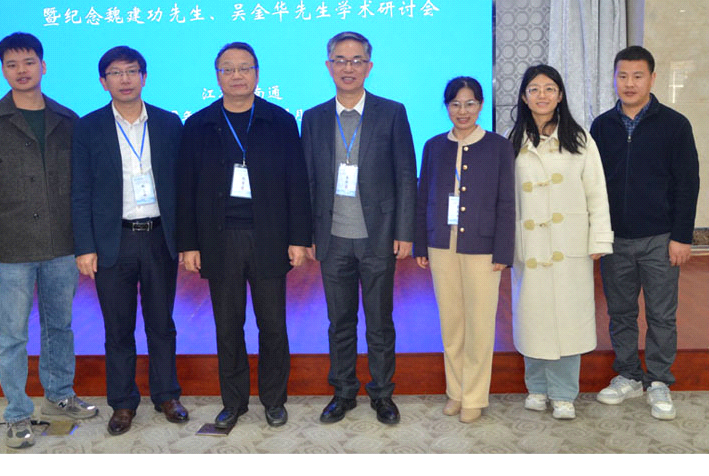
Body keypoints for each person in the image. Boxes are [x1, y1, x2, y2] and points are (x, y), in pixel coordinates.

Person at [0, 32, 97, 449]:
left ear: (43, 66)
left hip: (62, 246)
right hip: (11, 250)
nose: (21, 71)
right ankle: (17, 413)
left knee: (60, 327)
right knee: (11, 335)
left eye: (29, 62)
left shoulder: (68, 121)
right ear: (3, 70)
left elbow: (83, 187)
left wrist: (85, 242)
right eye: (12, 64)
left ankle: (59, 395)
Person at [176, 42, 312, 429]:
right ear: (217, 76)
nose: (236, 75)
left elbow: (297, 183)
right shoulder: (198, 125)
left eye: (244, 68)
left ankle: (274, 399)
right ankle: (233, 402)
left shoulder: (280, 121)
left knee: (273, 325)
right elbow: (185, 189)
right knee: (228, 326)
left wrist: (299, 238)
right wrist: (189, 244)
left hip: (269, 236)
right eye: (228, 69)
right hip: (219, 240)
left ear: (257, 73)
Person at [301, 31, 417, 425]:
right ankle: (343, 392)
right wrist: (307, 236)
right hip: (332, 238)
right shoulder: (313, 117)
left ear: (369, 66)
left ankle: (382, 394)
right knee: (340, 322)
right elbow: (307, 181)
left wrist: (404, 231)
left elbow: (405, 175)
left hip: (378, 236)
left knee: (380, 322)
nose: (348, 68)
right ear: (328, 65)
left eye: (356, 60)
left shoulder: (392, 112)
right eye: (340, 60)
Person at [71, 45, 187, 436]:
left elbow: (182, 187)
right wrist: (85, 246)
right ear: (103, 82)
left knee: (162, 323)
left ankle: (167, 395)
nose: (125, 79)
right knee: (118, 328)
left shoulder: (169, 123)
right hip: (113, 240)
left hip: (158, 237)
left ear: (144, 77)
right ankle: (122, 403)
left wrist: (186, 240)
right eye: (116, 73)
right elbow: (80, 191)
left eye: (132, 71)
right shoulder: (88, 128)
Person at [590, 46, 699, 420]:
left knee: (661, 315)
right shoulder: (601, 126)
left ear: (652, 78)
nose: (629, 83)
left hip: (660, 238)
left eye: (637, 76)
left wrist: (682, 237)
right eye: (622, 76)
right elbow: (592, 184)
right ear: (614, 79)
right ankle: (628, 376)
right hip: (615, 239)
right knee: (620, 313)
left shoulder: (675, 125)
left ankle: (659, 381)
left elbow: (688, 184)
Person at [508, 64, 613, 420]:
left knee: (569, 319)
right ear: (524, 97)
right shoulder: (511, 141)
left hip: (570, 245)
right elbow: (504, 199)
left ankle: (565, 393)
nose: (542, 95)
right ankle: (537, 387)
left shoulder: (580, 139)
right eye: (534, 89)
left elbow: (596, 191)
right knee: (532, 318)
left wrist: (599, 237)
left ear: (560, 95)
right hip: (529, 246)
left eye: (549, 88)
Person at [414, 77, 515, 423]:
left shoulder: (499, 146)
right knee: (452, 323)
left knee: (480, 324)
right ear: (446, 107)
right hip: (441, 245)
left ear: (481, 106)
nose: (463, 111)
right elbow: (423, 197)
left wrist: (503, 251)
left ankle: (474, 395)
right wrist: (421, 242)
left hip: (483, 247)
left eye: (470, 103)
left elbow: (507, 202)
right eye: (455, 104)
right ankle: (455, 392)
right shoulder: (433, 146)